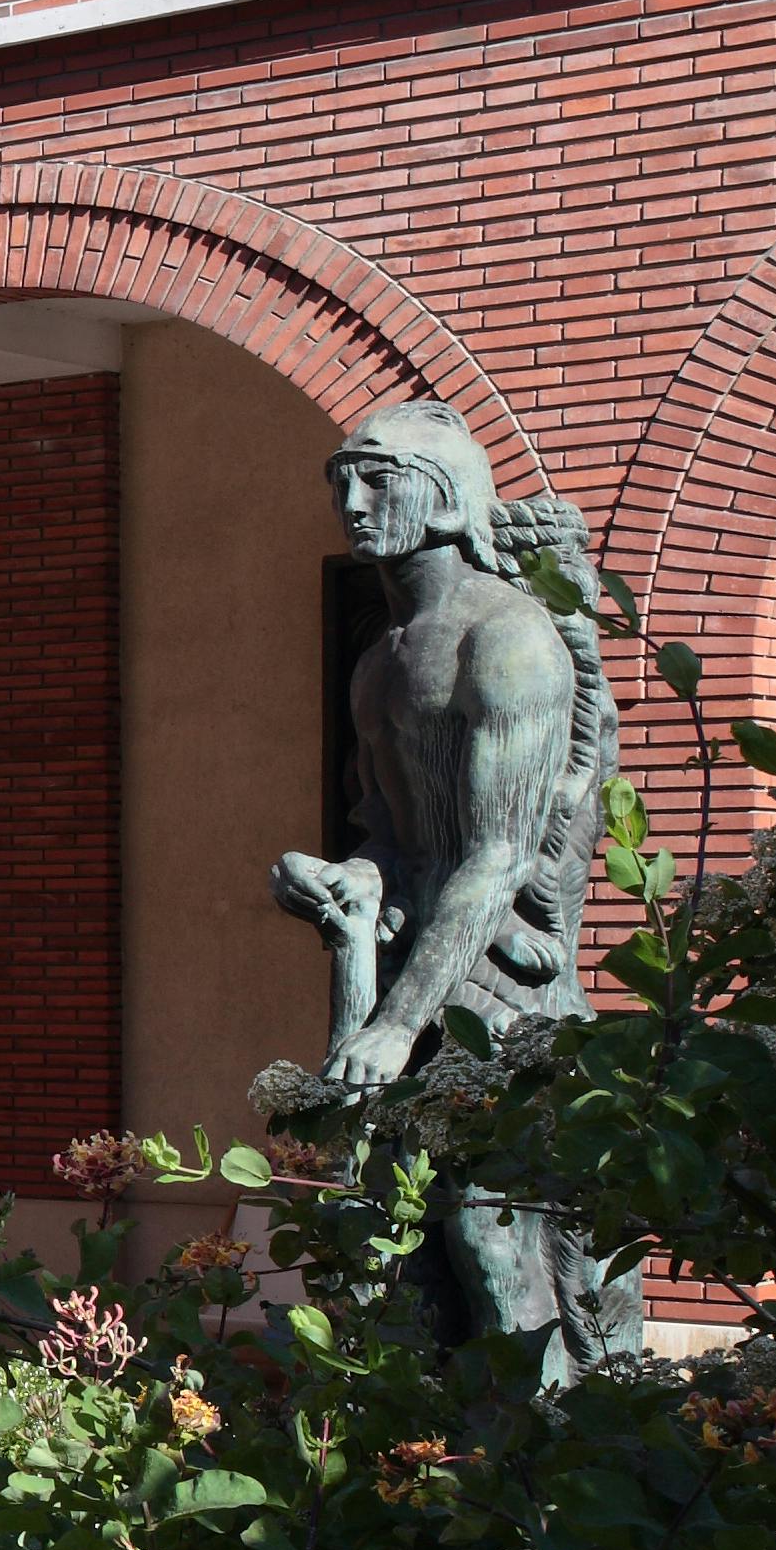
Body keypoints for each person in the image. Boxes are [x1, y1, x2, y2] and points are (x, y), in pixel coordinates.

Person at [271, 401, 640, 1380]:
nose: (352, 501)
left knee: (490, 1234)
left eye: (380, 477)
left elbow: (500, 855)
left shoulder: (508, 641)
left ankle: (553, 1468)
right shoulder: (380, 663)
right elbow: (391, 836)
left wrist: (395, 1026)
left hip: (499, 986)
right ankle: (439, 1479)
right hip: (413, 963)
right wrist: (344, 880)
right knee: (404, 1255)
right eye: (340, 480)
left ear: (447, 496)